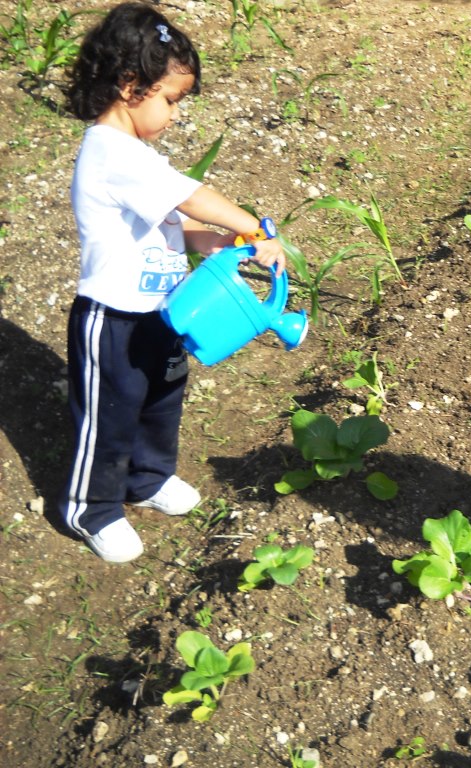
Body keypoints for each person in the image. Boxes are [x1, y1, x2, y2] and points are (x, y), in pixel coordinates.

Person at [61, 3, 286, 563]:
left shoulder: (134, 153)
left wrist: (218, 244)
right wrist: (249, 225)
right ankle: (91, 506)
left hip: (164, 311)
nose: (176, 115)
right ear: (130, 85)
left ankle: (149, 478)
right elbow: (189, 197)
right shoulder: (109, 150)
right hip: (112, 319)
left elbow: (175, 223)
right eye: (172, 100)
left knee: (161, 402)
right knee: (109, 415)